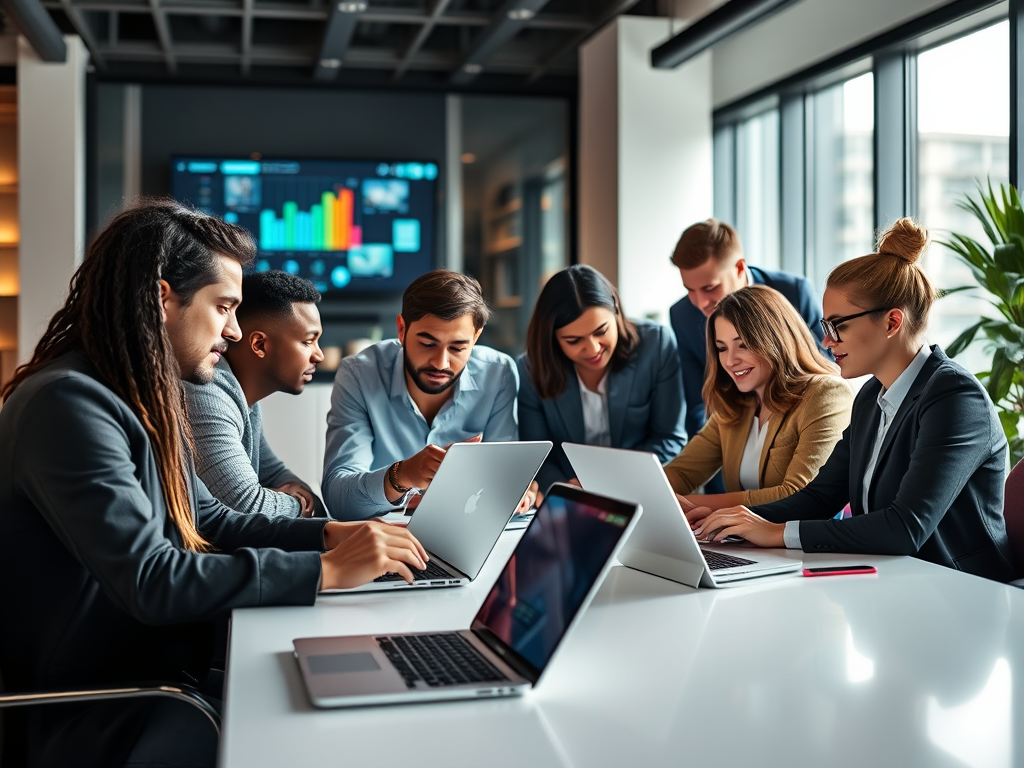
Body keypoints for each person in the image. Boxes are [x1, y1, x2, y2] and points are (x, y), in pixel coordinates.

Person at [0, 199, 428, 768]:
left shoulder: (138, 394)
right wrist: (324, 572)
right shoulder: (69, 403)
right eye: (224, 307)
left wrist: (331, 535)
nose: (232, 330)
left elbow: (209, 519)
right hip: (102, 704)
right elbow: (152, 579)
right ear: (161, 297)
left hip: (163, 663)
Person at [689, 218, 1016, 582]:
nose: (827, 342)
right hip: (896, 583)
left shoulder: (955, 397)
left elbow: (905, 528)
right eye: (825, 327)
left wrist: (775, 533)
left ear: (892, 322)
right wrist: (741, 522)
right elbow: (820, 497)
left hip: (965, 592)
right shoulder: (871, 397)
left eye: (838, 326)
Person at [323, 269, 523, 521]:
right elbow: (338, 499)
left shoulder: (499, 373)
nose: (441, 363)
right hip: (386, 542)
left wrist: (515, 491)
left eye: (458, 347)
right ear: (401, 330)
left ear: (476, 337)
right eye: (428, 344)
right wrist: (402, 474)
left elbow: (502, 479)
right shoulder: (359, 374)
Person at [662, 284, 852, 511]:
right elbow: (682, 472)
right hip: (742, 542)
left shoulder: (826, 393)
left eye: (743, 345)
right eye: (721, 348)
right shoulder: (736, 403)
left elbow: (799, 494)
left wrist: (691, 505)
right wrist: (645, 491)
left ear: (776, 341)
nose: (730, 361)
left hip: (800, 544)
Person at [669, 219, 824, 492]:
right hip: (735, 422)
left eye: (709, 288)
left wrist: (708, 507)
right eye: (721, 348)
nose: (701, 303)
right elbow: (699, 403)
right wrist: (717, 486)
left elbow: (820, 367)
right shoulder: (682, 314)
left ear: (739, 268)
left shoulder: (792, 293)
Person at [517, 264, 686, 494]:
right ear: (553, 338)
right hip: (569, 495)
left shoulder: (656, 345)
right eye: (574, 340)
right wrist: (563, 488)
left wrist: (611, 481)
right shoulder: (530, 369)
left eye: (601, 331)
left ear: (616, 310)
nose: (592, 349)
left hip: (640, 489)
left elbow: (669, 438)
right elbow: (536, 456)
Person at [184, 270, 326, 518]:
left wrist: (300, 496)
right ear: (259, 344)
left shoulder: (243, 397)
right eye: (307, 342)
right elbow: (247, 506)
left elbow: (273, 473)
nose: (319, 355)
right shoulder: (207, 392)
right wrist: (300, 504)